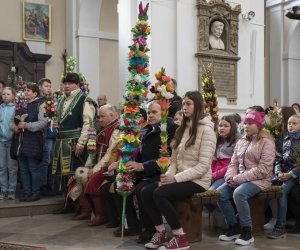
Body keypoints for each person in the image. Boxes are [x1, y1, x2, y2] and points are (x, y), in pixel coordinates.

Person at [142, 91, 216, 250]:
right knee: (146, 191)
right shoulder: (181, 129)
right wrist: (168, 175)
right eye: (183, 104)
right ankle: (160, 232)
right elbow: (174, 161)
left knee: (159, 193)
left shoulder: (207, 131)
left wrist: (175, 179)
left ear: (198, 105)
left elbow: (203, 167)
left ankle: (180, 237)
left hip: (198, 180)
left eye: (188, 104)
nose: (185, 107)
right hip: (181, 177)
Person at [107, 101, 178, 241]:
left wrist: (143, 166)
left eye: (154, 112)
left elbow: (168, 157)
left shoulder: (171, 129)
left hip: (162, 171)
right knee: (121, 183)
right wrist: (121, 163)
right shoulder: (146, 130)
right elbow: (138, 152)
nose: (150, 115)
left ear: (163, 113)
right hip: (144, 169)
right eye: (149, 112)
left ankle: (150, 228)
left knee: (142, 189)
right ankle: (133, 224)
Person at [217, 111, 275, 246]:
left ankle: (247, 231)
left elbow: (263, 170)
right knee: (219, 193)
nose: (246, 126)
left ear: (258, 125)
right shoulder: (242, 141)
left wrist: (238, 179)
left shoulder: (266, 142)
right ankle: (233, 227)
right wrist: (230, 177)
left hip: (260, 180)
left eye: (250, 123)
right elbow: (233, 163)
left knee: (239, 193)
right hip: (241, 178)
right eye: (245, 123)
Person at [51, 73, 97, 204]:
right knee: (65, 176)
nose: (66, 86)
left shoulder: (85, 100)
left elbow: (88, 123)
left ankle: (82, 207)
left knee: (76, 175)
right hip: (61, 142)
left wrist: (81, 143)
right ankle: (68, 204)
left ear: (77, 85)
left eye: (69, 83)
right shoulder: (61, 100)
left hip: (74, 142)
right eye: (65, 83)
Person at [11, 83, 48, 202]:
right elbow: (12, 121)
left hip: (33, 141)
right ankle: (26, 193)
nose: (26, 92)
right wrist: (14, 128)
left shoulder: (40, 105)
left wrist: (26, 125)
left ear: (35, 93)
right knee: (23, 169)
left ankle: (35, 193)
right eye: (25, 90)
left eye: (29, 90)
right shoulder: (20, 105)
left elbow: (43, 123)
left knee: (33, 168)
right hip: (20, 142)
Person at [267, 114, 300, 239]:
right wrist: (278, 172)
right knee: (267, 187)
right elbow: (279, 159)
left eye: (294, 123)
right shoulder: (285, 139)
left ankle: (280, 227)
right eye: (289, 123)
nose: (291, 126)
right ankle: (255, 221)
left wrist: (290, 174)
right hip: (283, 174)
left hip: (295, 175)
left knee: (281, 191)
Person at [37, 78, 57, 196]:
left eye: (50, 86)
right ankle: (43, 185)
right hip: (45, 135)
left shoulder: (52, 100)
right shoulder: (39, 102)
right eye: (46, 86)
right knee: (45, 161)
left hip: (53, 133)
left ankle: (51, 184)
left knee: (52, 161)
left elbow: (55, 116)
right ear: (39, 87)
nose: (48, 88)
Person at [0, 87, 18, 200]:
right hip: (1, 141)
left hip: (12, 141)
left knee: (12, 167)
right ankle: (3, 189)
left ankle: (11, 190)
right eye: (3, 94)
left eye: (8, 94)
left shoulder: (16, 109)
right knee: (2, 167)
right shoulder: (0, 108)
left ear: (12, 96)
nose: (5, 96)